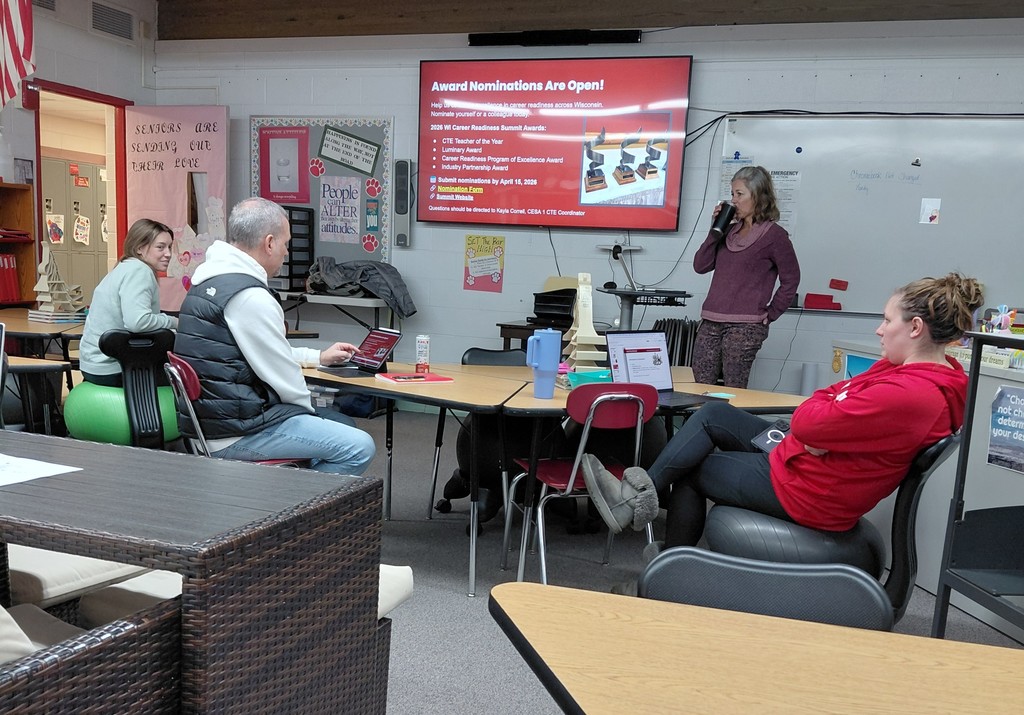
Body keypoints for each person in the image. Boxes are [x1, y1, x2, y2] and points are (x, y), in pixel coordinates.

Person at [584, 273, 984, 552]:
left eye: (886, 320)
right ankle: (634, 505)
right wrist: (817, 429)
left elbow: (810, 417)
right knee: (711, 415)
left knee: (692, 467)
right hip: (808, 462)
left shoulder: (910, 394)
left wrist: (816, 428)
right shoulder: (923, 373)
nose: (879, 330)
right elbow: (825, 399)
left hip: (811, 491)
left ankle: (664, 571)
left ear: (915, 328)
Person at [174, 197, 376, 475]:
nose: (286, 253)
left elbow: (250, 354)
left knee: (336, 428)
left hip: (211, 424)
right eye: (285, 244)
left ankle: (286, 494)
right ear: (269, 243)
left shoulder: (208, 281)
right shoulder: (250, 297)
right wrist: (310, 413)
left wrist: (318, 357)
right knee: (358, 446)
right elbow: (284, 378)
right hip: (237, 433)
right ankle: (301, 510)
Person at [691, 166, 800, 388]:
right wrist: (715, 230)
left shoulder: (775, 236)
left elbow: (791, 279)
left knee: (733, 390)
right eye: (732, 194)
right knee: (699, 388)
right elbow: (700, 266)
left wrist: (770, 314)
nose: (733, 201)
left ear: (758, 196)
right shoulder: (728, 231)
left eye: (739, 194)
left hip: (745, 326)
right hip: (711, 320)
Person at [79, 218, 179, 386]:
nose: (168, 254)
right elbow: (138, 323)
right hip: (112, 368)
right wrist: (175, 322)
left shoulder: (125, 266)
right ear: (140, 248)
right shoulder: (140, 271)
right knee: (187, 376)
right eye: (160, 247)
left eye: (170, 247)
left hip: (93, 365)